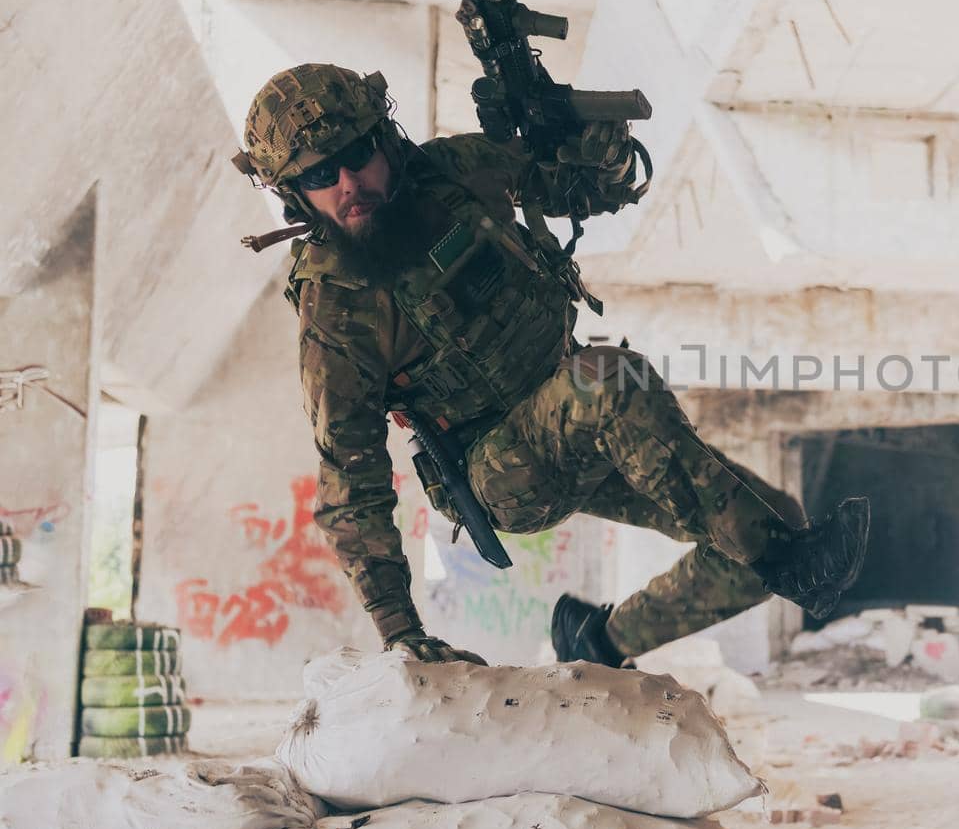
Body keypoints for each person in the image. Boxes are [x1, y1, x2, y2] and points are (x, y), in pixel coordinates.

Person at [232, 63, 869, 667]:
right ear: (294, 197)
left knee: (765, 519)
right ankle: (798, 569)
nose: (348, 184)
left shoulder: (452, 173)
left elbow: (586, 187)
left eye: (357, 155)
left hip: (584, 424)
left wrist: (601, 149)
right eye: (320, 176)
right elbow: (350, 480)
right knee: (610, 381)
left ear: (386, 141)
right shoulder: (338, 304)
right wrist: (403, 633)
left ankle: (603, 642)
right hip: (500, 471)